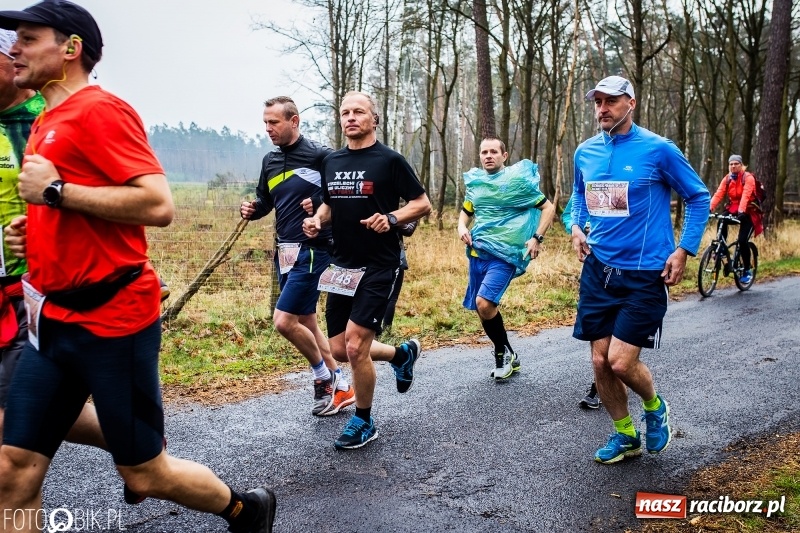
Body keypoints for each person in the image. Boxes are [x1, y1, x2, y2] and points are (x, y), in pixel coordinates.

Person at [0, 3, 275, 532]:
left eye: (29, 39)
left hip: (113, 321)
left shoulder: (100, 111)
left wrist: (54, 192)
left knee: (145, 473)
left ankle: (245, 508)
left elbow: (157, 205)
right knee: (14, 470)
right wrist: (34, 230)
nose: (14, 48)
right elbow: (72, 212)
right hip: (51, 320)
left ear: (71, 49)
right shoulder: (46, 120)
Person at [571, 75, 710, 464]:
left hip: (645, 274)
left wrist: (684, 249)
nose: (602, 109)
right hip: (599, 270)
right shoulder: (585, 152)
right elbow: (579, 195)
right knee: (599, 361)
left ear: (630, 103)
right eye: (597, 102)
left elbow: (698, 198)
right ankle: (625, 436)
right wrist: (576, 226)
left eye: (610, 101)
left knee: (619, 361)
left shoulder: (659, 150)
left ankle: (655, 405)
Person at [303, 91, 431, 450]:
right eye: (345, 113)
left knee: (357, 346)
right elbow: (329, 202)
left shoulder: (389, 160)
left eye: (359, 112)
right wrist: (316, 220)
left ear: (374, 119)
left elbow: (422, 204)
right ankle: (401, 354)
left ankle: (364, 420)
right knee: (340, 349)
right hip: (342, 266)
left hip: (380, 265)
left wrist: (391, 218)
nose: (350, 118)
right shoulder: (331, 161)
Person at [241, 96, 354, 417]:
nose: (268, 129)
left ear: (294, 121)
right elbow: (265, 201)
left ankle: (322, 376)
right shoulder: (270, 161)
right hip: (285, 251)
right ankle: (342, 384)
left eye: (273, 122)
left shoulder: (321, 156)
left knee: (284, 321)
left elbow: (340, 197)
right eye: (265, 123)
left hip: (314, 250)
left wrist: (317, 205)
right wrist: (252, 209)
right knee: (305, 320)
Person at [457, 138, 555, 381]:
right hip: (478, 253)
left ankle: (500, 354)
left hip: (506, 256)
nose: (488, 155)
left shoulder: (516, 182)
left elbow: (548, 208)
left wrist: (537, 238)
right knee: (484, 310)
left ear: (504, 155)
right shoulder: (477, 184)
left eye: (493, 151)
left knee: (484, 303)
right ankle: (509, 353)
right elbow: (467, 212)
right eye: (484, 152)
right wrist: (461, 227)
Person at [561, 194, 600, 409]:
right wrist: (577, 228)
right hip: (593, 264)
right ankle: (599, 383)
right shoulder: (587, 182)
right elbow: (569, 215)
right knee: (596, 327)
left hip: (629, 265)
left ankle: (610, 377)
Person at [709, 154, 763, 284]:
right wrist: (709, 208)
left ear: (741, 165)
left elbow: (746, 195)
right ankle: (721, 248)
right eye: (731, 164)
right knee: (722, 219)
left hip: (749, 211)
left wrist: (742, 210)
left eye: (736, 164)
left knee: (742, 241)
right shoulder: (727, 179)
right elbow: (718, 194)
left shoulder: (747, 178)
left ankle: (746, 270)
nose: (733, 166)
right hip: (734, 208)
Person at [381, 219, 418, 334]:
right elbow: (408, 230)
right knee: (391, 297)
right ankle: (385, 331)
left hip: (370, 258)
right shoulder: (390, 211)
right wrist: (414, 213)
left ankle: (375, 330)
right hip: (392, 257)